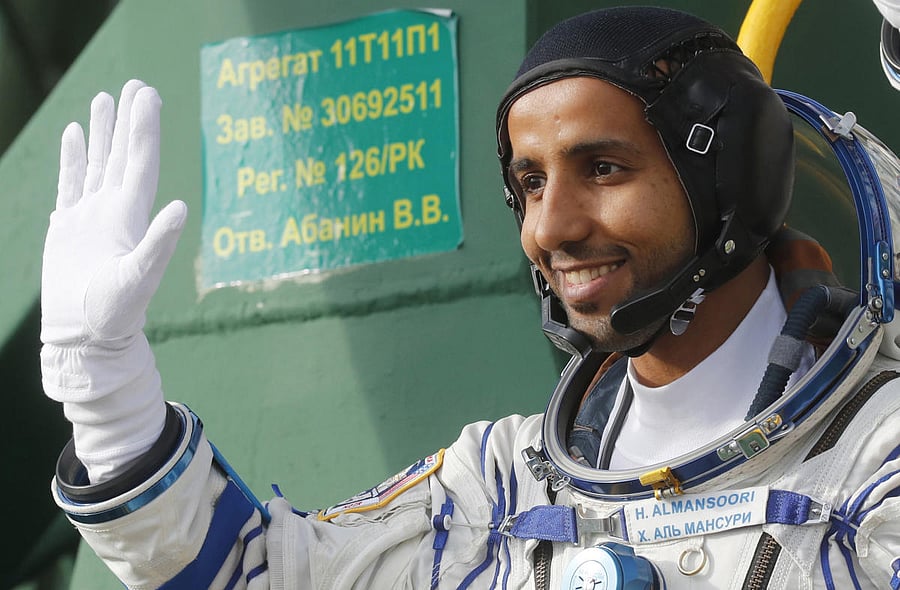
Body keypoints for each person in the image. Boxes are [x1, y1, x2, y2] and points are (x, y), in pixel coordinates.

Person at [40, 6, 900, 589]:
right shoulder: (497, 491)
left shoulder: (873, 462)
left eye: (602, 168)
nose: (550, 226)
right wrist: (106, 395)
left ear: (726, 180)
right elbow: (261, 570)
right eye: (528, 184)